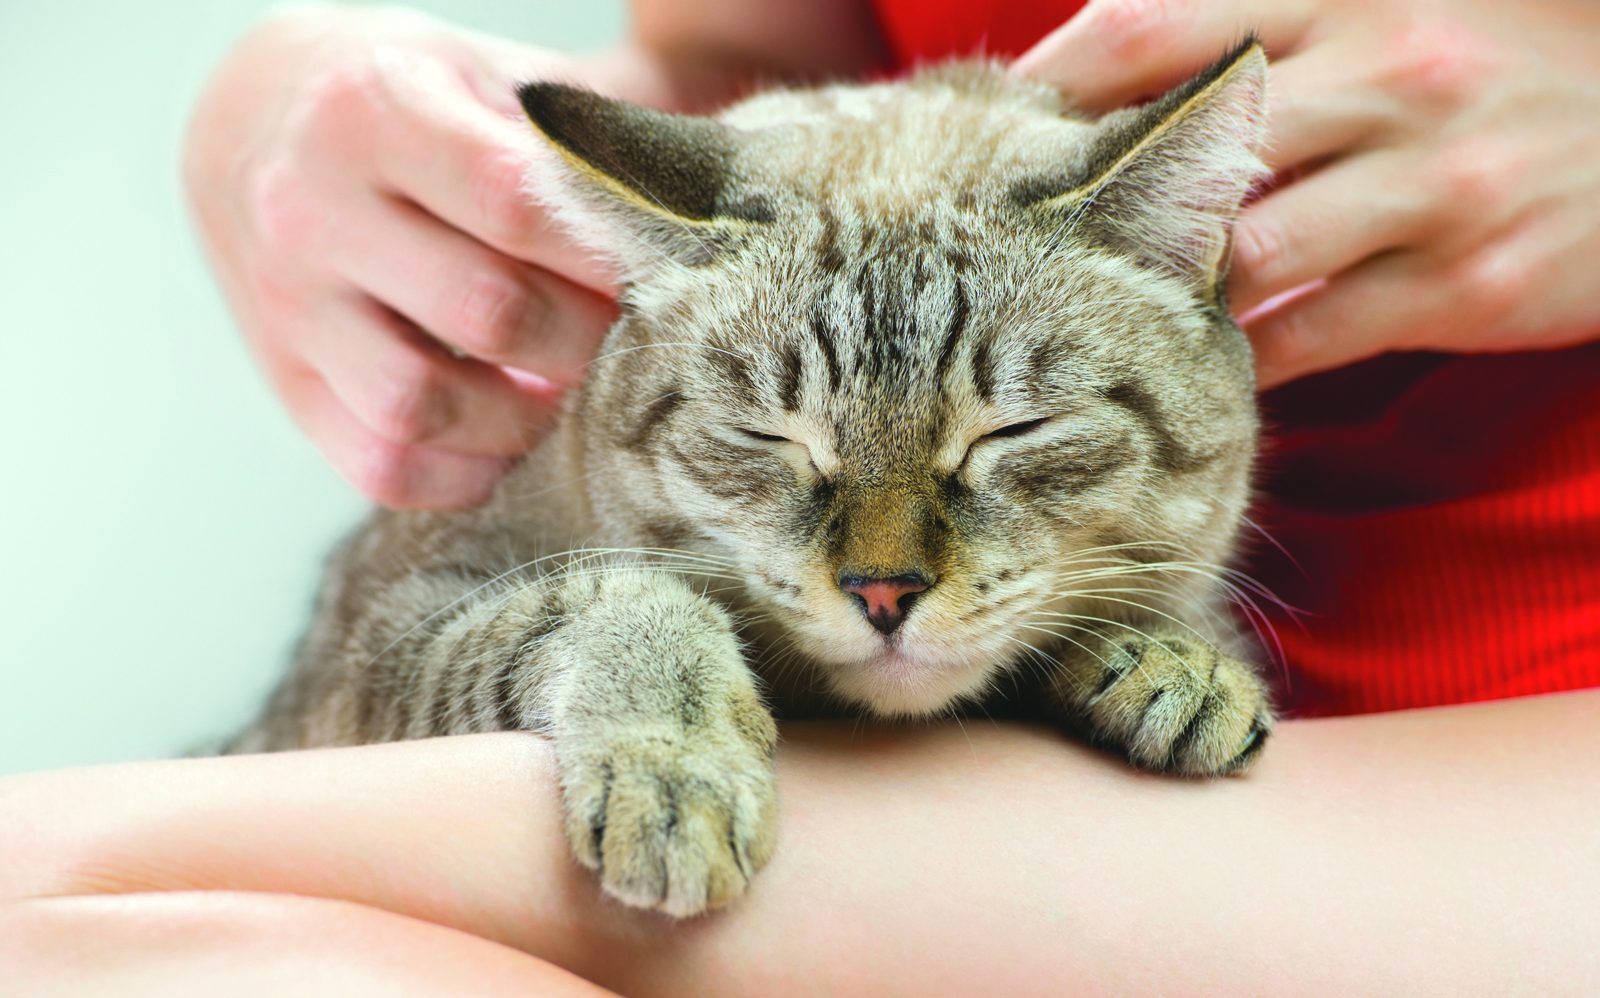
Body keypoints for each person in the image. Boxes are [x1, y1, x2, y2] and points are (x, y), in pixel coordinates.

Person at [5, 0, 1598, 990]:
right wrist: (299, 89)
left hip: (1513, 794)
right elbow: (725, 73)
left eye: (1002, 442)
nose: (884, 568)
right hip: (1024, 770)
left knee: (49, 902)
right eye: (787, 465)